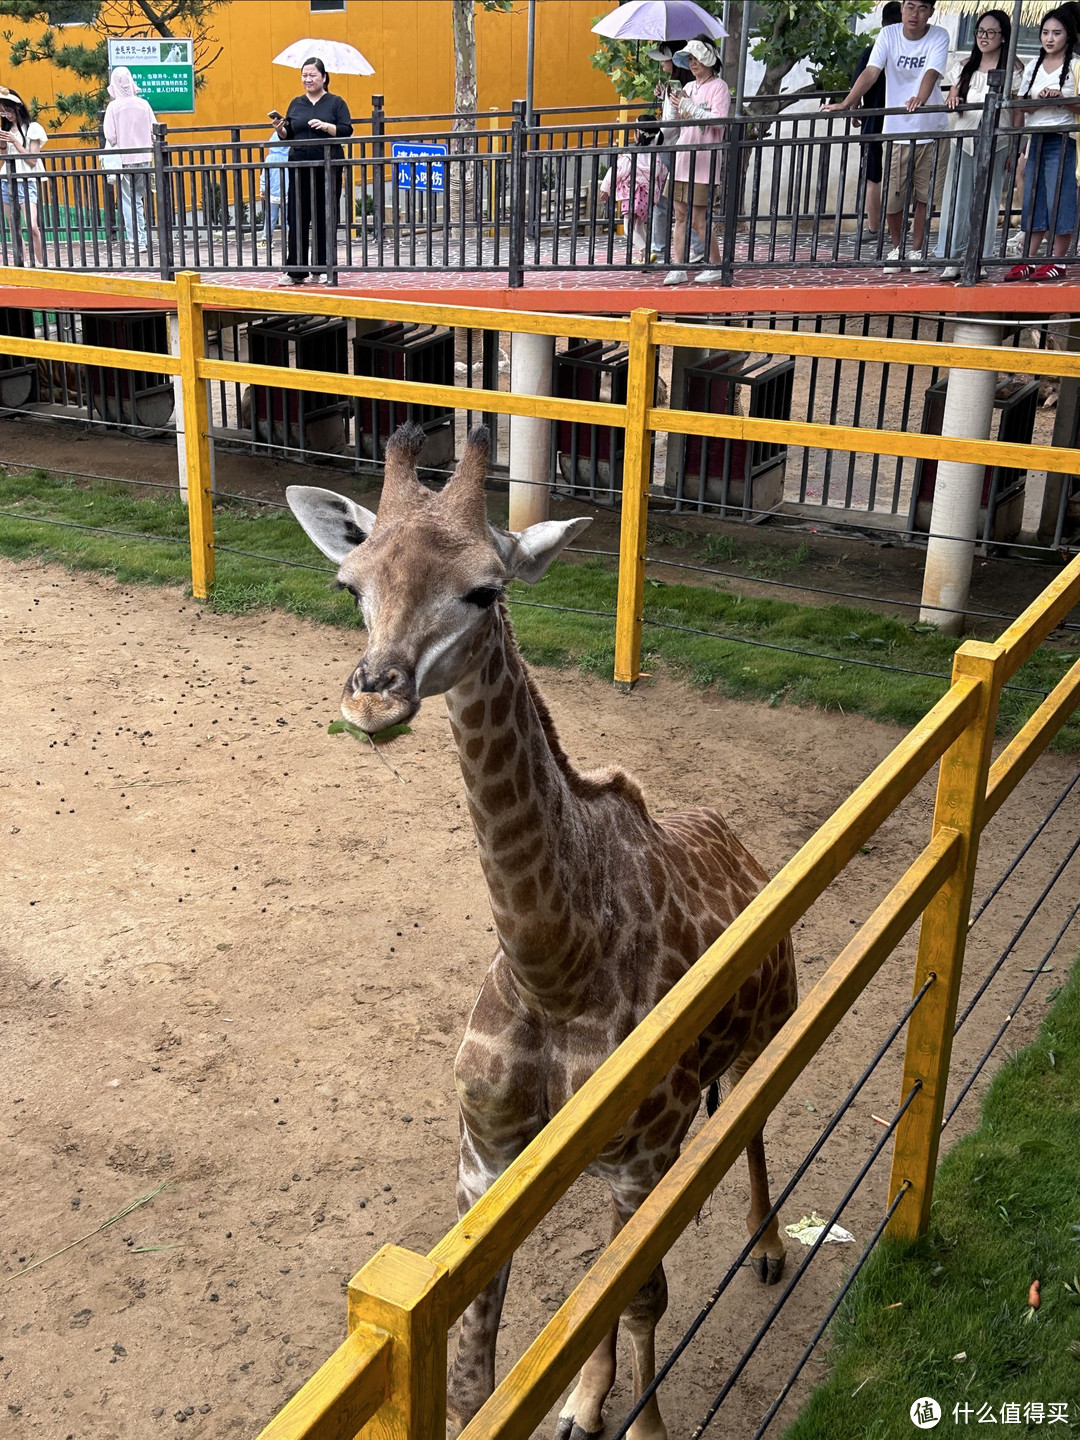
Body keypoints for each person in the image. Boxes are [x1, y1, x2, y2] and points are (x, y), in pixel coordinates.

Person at [824, 0, 949, 273]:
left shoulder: (939, 35)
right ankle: (896, 248)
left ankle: (916, 251)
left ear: (931, 12)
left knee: (925, 197)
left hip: (931, 130)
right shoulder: (888, 35)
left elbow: (932, 71)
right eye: (910, 7)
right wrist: (847, 103)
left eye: (922, 8)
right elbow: (872, 70)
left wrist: (921, 97)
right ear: (902, 8)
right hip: (896, 130)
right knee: (893, 197)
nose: (914, 14)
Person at [934, 10, 1022, 279]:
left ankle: (979, 258)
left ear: (1004, 37)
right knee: (957, 198)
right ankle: (953, 256)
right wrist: (954, 101)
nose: (984, 37)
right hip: (965, 140)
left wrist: (1016, 147)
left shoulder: (1013, 71)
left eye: (991, 32)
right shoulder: (964, 66)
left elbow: (1017, 113)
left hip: (997, 143)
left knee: (988, 199)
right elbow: (953, 97)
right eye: (980, 31)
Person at [1006, 7, 1080, 282]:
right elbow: (1022, 105)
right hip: (1035, 137)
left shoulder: (1075, 65)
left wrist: (1060, 97)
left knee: (1060, 199)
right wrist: (1037, 100)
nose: (1049, 39)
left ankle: (1058, 261)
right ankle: (1028, 258)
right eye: (1045, 33)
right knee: (1033, 198)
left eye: (1056, 33)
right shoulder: (1033, 65)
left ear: (1068, 36)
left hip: (1063, 139)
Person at [272, 56, 353, 285]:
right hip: (299, 167)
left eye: (312, 75)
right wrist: (280, 129)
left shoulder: (336, 102)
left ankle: (323, 267)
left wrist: (327, 127)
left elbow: (347, 130)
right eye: (304, 75)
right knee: (297, 215)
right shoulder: (296, 103)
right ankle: (295, 271)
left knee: (324, 215)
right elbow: (289, 133)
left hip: (327, 167)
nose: (308, 79)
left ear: (324, 77)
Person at [661, 36, 730, 286]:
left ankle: (715, 264)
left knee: (698, 217)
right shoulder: (688, 88)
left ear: (709, 60)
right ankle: (678, 266)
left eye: (697, 58)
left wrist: (690, 107)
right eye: (690, 58)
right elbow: (671, 127)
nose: (692, 63)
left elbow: (719, 121)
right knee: (679, 215)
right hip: (683, 157)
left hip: (703, 160)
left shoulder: (719, 87)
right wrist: (669, 102)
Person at [849, 1, 903, 242]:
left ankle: (874, 229)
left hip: (874, 119)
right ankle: (898, 225)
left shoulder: (871, 51)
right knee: (899, 175)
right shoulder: (905, 52)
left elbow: (858, 85)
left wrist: (854, 108)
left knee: (873, 176)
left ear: (882, 25)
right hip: (902, 120)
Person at [647, 41, 703, 264]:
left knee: (664, 201)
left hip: (672, 147)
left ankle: (659, 251)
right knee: (686, 201)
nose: (661, 64)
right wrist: (664, 96)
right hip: (681, 146)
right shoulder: (686, 86)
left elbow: (671, 122)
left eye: (664, 59)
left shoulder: (679, 87)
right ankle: (696, 248)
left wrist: (654, 135)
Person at [598, 115, 667, 262]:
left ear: (638, 135)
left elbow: (616, 171)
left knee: (628, 229)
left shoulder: (631, 156)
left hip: (632, 195)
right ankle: (646, 256)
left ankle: (645, 251)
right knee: (639, 226)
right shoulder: (656, 157)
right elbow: (663, 174)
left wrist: (605, 188)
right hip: (646, 198)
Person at [103, 66, 155, 256]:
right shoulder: (143, 104)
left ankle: (135, 241)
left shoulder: (113, 107)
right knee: (138, 198)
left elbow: (110, 136)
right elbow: (154, 130)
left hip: (123, 160)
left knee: (127, 200)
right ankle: (142, 239)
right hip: (144, 157)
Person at [0, 86, 46, 266]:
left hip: (26, 180)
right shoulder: (6, 130)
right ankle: (23, 263)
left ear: (18, 108)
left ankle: (41, 263)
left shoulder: (33, 128)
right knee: (14, 226)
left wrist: (15, 142)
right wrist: (3, 143)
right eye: (3, 113)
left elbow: (32, 160)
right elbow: (4, 157)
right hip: (6, 179)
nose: (6, 115)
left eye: (8, 111)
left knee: (32, 225)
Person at [259, 129, 290, 246]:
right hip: (288, 191)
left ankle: (266, 239)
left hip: (272, 192)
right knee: (289, 219)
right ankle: (291, 240)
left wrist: (263, 188)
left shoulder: (270, 158)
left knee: (270, 218)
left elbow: (264, 176)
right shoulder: (290, 156)